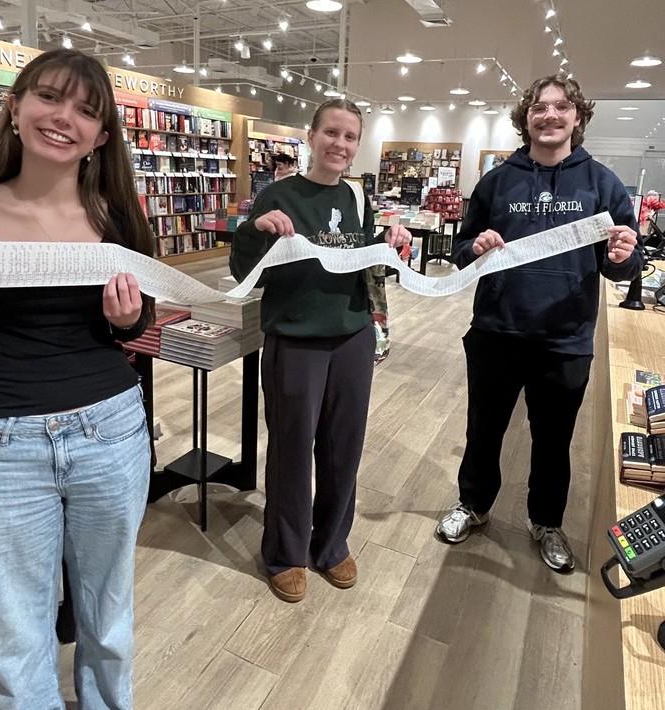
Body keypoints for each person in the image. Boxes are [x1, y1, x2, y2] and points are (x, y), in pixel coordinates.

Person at [0, 49, 154, 708]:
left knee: (107, 617)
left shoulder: (116, 213)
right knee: (16, 634)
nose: (63, 118)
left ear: (102, 136)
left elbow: (137, 328)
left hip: (112, 433)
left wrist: (128, 318)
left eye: (86, 109)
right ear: (15, 107)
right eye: (49, 97)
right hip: (4, 444)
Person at [436, 74, 644, 571]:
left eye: (560, 107)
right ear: (526, 118)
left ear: (577, 117)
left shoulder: (602, 183)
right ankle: (474, 505)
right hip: (496, 332)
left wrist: (622, 255)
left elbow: (621, 264)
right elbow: (462, 250)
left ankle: (547, 522)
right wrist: (476, 248)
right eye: (538, 107)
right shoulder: (497, 181)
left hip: (566, 340)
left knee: (554, 441)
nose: (549, 115)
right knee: (483, 431)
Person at [230, 99, 412, 602]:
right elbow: (243, 271)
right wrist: (254, 234)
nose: (340, 144)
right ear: (311, 136)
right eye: (331, 133)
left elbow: (364, 264)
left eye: (350, 137)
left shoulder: (357, 198)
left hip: (351, 339)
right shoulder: (278, 196)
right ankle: (285, 553)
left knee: (343, 448)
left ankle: (331, 543)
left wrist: (389, 243)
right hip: (294, 340)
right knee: (292, 449)